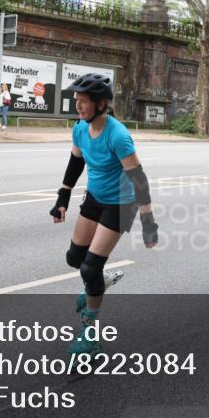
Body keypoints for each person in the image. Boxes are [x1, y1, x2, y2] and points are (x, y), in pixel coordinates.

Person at [49, 73, 159, 355]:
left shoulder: (118, 135)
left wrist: (148, 222)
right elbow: (76, 161)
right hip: (95, 198)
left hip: (122, 205)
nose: (78, 106)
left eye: (83, 101)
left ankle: (89, 332)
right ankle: (102, 281)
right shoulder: (80, 129)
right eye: (77, 100)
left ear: (101, 104)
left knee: (90, 268)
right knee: (75, 258)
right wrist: (63, 196)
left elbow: (138, 179)